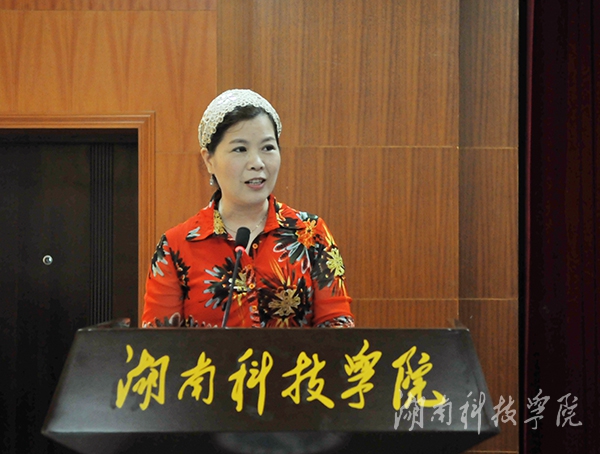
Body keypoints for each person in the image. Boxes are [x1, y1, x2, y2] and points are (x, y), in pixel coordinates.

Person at [142, 89, 354, 328]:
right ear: (209, 160)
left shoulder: (311, 234)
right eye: (240, 149)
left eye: (268, 148)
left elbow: (337, 329)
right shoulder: (176, 246)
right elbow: (158, 343)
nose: (257, 163)